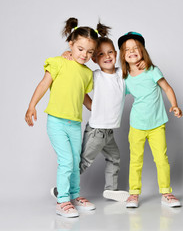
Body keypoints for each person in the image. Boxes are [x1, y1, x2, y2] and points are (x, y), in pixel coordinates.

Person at [51, 24, 146, 202]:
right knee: (83, 162)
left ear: (116, 55)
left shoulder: (121, 75)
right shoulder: (95, 76)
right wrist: (67, 55)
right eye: (101, 54)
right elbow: (77, 80)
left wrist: (140, 62)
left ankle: (110, 189)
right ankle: (61, 190)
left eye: (110, 52)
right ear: (94, 59)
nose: (107, 56)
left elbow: (136, 71)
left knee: (115, 158)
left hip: (109, 132)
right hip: (96, 131)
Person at [25, 17, 99, 218]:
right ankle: (62, 200)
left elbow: (83, 95)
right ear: (71, 44)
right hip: (57, 122)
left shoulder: (86, 73)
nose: (84, 54)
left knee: (75, 161)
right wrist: (32, 106)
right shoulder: (58, 62)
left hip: (75, 124)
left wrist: (97, 109)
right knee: (66, 160)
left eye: (90, 52)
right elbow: (43, 84)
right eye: (80, 49)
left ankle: (74, 195)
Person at [118, 32, 182, 208]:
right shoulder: (125, 78)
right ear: (123, 56)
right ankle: (134, 194)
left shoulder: (152, 70)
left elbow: (167, 88)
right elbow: (115, 96)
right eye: (127, 49)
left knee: (161, 159)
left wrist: (175, 105)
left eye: (136, 48)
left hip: (156, 124)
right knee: (135, 160)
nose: (132, 51)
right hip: (136, 125)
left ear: (143, 51)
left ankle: (166, 192)